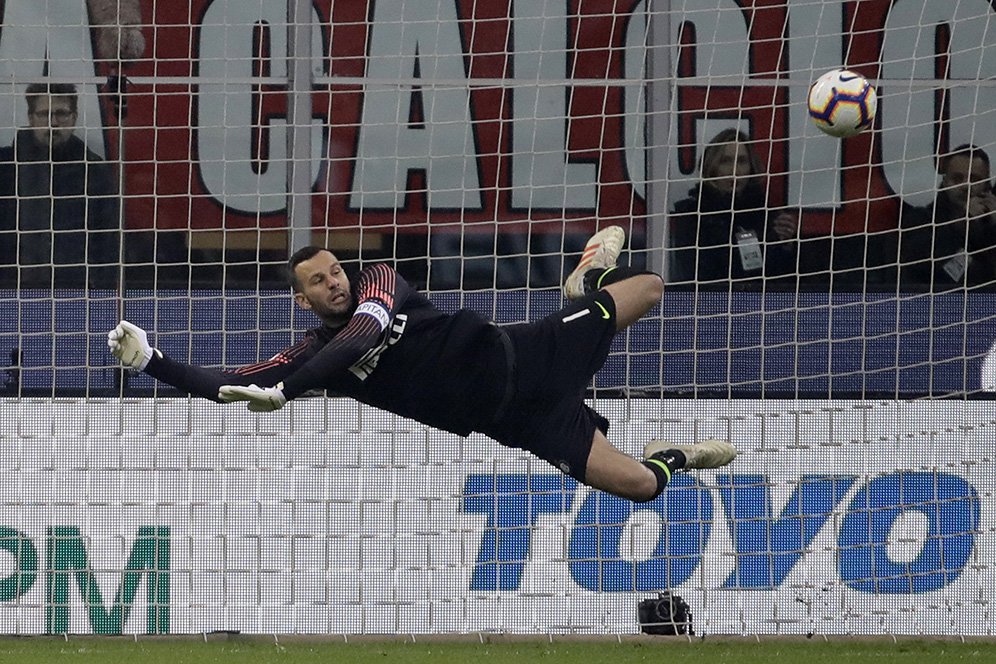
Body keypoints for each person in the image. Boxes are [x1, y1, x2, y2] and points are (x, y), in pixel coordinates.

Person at [107, 227, 737, 503]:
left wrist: (289, 390)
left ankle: (590, 275)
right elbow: (237, 381)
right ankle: (673, 453)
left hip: (529, 354)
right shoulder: (311, 352)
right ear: (301, 298)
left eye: (335, 270)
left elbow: (358, 341)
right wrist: (152, 361)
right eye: (319, 282)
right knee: (645, 486)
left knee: (650, 286)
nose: (335, 282)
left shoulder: (381, 283)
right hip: (520, 422)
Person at [0, 82, 119, 288]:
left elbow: (108, 239)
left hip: (74, 290)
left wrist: (102, 290)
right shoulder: (5, 168)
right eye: (44, 114)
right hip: (8, 289)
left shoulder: (94, 172)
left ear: (74, 117)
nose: (53, 122)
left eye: (61, 113)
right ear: (31, 118)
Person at [669, 129, 798, 288]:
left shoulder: (767, 215)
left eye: (742, 161)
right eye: (725, 161)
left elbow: (784, 281)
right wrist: (765, 242)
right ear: (711, 166)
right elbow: (704, 271)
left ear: (752, 167)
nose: (735, 171)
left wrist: (785, 244)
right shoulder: (691, 215)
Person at [896, 144, 996, 290]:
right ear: (944, 182)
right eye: (957, 178)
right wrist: (964, 222)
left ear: (987, 185)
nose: (965, 186)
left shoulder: (990, 226)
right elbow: (924, 268)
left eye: (974, 179)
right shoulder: (920, 220)